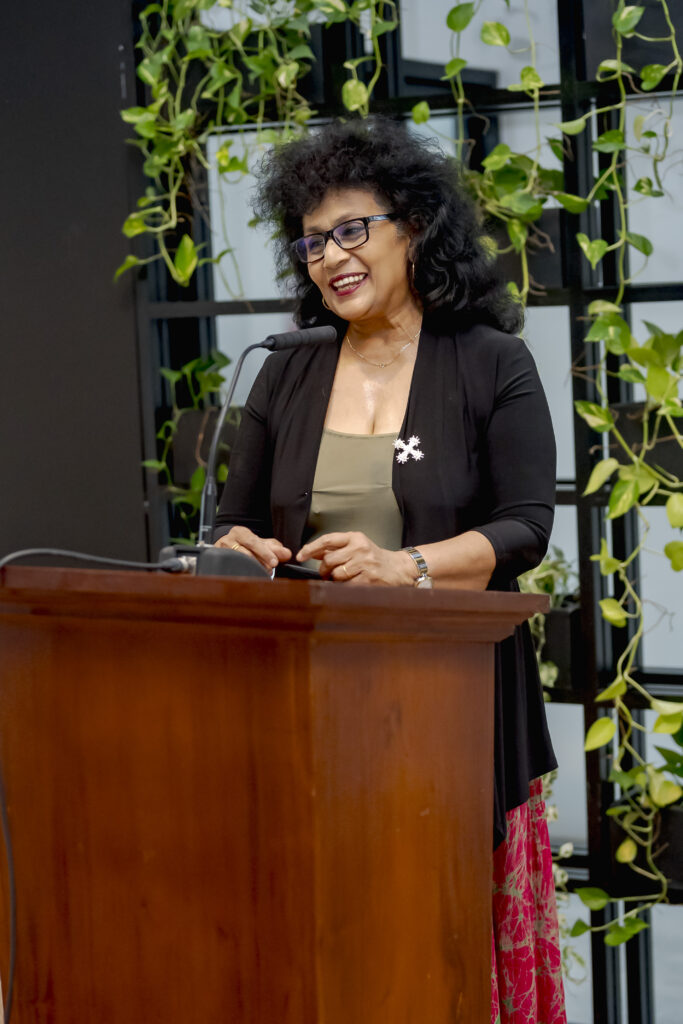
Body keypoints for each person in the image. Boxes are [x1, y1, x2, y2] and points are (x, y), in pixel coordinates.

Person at [214, 117, 566, 1024]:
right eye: (311, 241)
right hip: (304, 719)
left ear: (413, 226)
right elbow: (230, 524)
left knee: (439, 959)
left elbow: (524, 528)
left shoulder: (489, 362)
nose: (330, 257)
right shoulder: (286, 370)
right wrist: (238, 550)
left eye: (350, 230)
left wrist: (402, 566)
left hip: (450, 712)